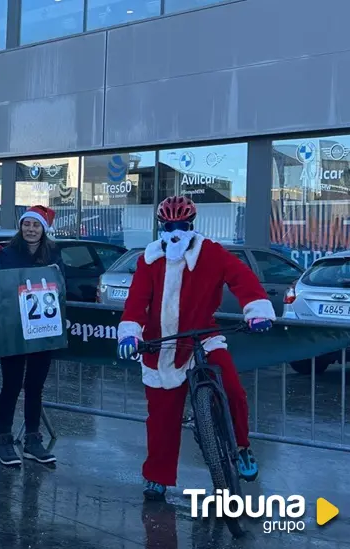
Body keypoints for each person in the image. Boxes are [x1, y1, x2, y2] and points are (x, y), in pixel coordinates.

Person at [116, 196, 272, 501]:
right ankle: (157, 477)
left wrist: (257, 311)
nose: (175, 231)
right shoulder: (148, 260)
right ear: (161, 226)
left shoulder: (212, 253)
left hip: (203, 335)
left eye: (182, 225)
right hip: (162, 344)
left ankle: (242, 448)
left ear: (192, 225)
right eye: (168, 225)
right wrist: (130, 334)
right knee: (161, 415)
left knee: (233, 390)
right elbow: (136, 301)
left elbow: (241, 279)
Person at [0, 205, 64, 467]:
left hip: (42, 330)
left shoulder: (54, 254)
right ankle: (4, 439)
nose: (31, 229)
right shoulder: (8, 254)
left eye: (36, 225)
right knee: (11, 385)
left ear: (43, 229)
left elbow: (60, 286)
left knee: (35, 386)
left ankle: (33, 441)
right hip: (13, 329)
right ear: (21, 226)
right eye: (27, 224)